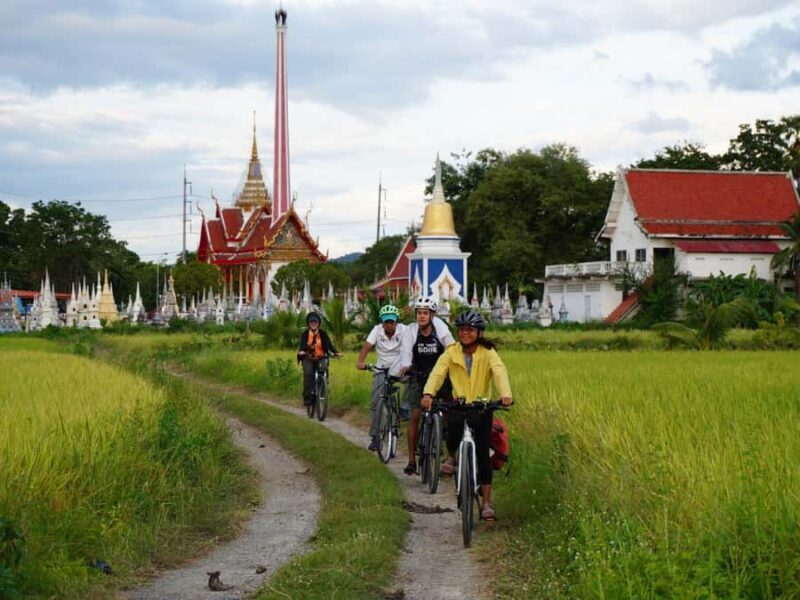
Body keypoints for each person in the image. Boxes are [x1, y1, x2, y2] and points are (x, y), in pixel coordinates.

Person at [421, 309, 513, 521]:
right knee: (451, 434)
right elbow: (438, 372)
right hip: (459, 404)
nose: (465, 334)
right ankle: (452, 458)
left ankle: (487, 503)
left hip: (482, 408)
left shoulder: (488, 353)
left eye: (470, 330)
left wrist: (505, 395)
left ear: (479, 332)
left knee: (483, 454)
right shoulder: (451, 352)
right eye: (462, 330)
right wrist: (428, 393)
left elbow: (499, 372)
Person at [398, 296, 454, 475]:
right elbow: (406, 352)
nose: (421, 316)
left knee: (450, 414)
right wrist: (406, 367)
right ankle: (412, 460)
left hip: (439, 376)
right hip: (418, 376)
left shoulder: (441, 327)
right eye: (419, 313)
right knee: (415, 416)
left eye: (425, 313)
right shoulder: (410, 331)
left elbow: (452, 348)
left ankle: (450, 455)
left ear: (432, 315)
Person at [356, 304, 408, 451]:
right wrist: (360, 362)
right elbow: (367, 346)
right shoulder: (377, 330)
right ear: (382, 322)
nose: (389, 325)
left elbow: (410, 348)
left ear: (396, 321)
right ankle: (376, 437)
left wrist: (408, 365)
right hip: (382, 369)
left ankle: (404, 409)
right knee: (376, 402)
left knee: (413, 385)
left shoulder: (404, 330)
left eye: (392, 321)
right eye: (386, 322)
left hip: (400, 369)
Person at [297, 311, 341, 407]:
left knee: (324, 369)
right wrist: (302, 351)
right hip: (308, 357)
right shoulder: (305, 334)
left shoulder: (323, 333)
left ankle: (323, 388)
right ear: (308, 324)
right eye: (311, 322)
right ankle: (307, 397)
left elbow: (329, 345)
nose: (313, 324)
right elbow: (302, 346)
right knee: (308, 373)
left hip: (321, 357)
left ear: (318, 324)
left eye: (315, 322)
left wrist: (336, 352)